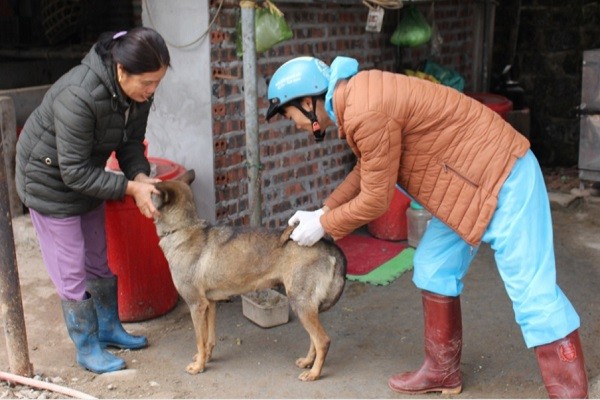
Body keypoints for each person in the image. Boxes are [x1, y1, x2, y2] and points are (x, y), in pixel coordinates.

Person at [265, 56, 588, 398]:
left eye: (290, 117)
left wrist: (325, 225)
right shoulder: (358, 99)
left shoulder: (364, 108)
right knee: (434, 266)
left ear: (307, 102)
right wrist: (324, 210)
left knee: (531, 290)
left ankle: (570, 390)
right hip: (462, 187)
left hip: (504, 175)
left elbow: (376, 199)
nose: (296, 125)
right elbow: (367, 171)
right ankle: (442, 371)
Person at [15, 27, 170, 374]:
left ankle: (109, 329)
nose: (152, 90)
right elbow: (72, 171)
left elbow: (130, 144)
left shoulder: (137, 96)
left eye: (157, 82)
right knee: (71, 268)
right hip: (49, 181)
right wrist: (129, 189)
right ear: (120, 70)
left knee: (98, 258)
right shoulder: (78, 94)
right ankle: (87, 346)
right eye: (147, 82)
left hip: (86, 176)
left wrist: (141, 176)